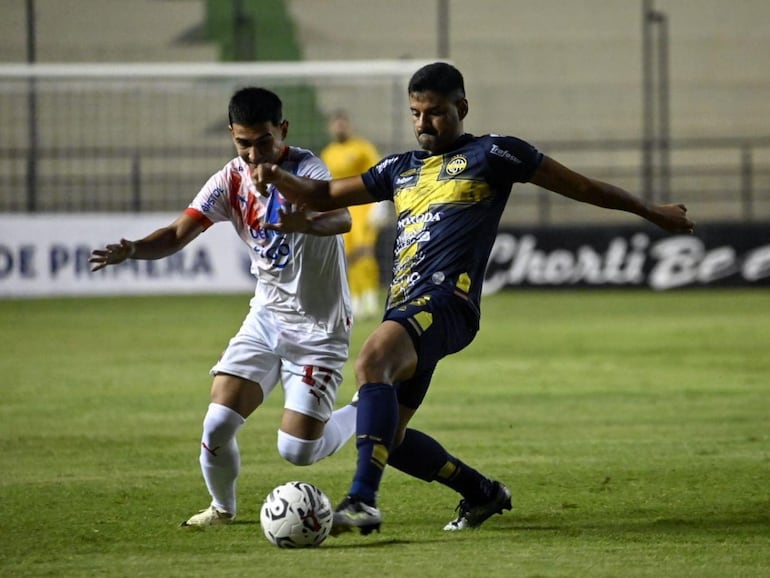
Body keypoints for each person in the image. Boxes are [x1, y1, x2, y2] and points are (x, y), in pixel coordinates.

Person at [255, 62, 695, 535]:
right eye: (415, 114)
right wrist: (276, 176)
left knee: (372, 360)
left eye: (436, 113)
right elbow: (323, 193)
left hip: (448, 302)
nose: (424, 124)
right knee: (391, 437)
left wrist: (651, 211)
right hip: (405, 308)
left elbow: (584, 187)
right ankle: (482, 493)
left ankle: (362, 499)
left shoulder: (495, 153)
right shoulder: (400, 168)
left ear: (461, 108)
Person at [89, 87, 358, 527]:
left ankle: (366, 406)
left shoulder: (306, 168)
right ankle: (222, 509)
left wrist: (305, 220)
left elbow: (342, 217)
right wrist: (133, 249)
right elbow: (178, 234)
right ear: (233, 136)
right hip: (267, 317)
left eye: (263, 142)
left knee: (298, 451)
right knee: (216, 424)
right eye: (243, 143)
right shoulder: (228, 181)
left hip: (318, 327)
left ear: (282, 131)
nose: (253, 154)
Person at [320, 110, 387, 320]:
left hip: (364, 207)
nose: (340, 128)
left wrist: (380, 205)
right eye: (336, 124)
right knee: (347, 256)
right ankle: (355, 299)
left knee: (364, 253)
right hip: (340, 209)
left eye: (343, 123)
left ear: (349, 125)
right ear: (331, 127)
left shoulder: (362, 148)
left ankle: (369, 297)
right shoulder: (327, 153)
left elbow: (379, 174)